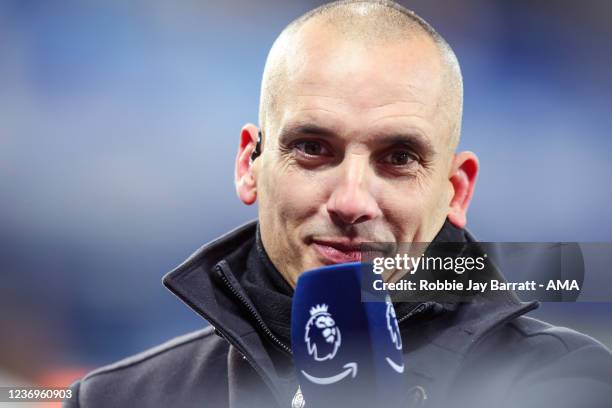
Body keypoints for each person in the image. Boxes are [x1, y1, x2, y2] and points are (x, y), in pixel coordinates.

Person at [65, 1, 612, 407]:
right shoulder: (116, 399)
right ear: (248, 164)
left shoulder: (567, 385)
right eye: (312, 148)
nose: (351, 202)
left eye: (398, 158)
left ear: (455, 191)